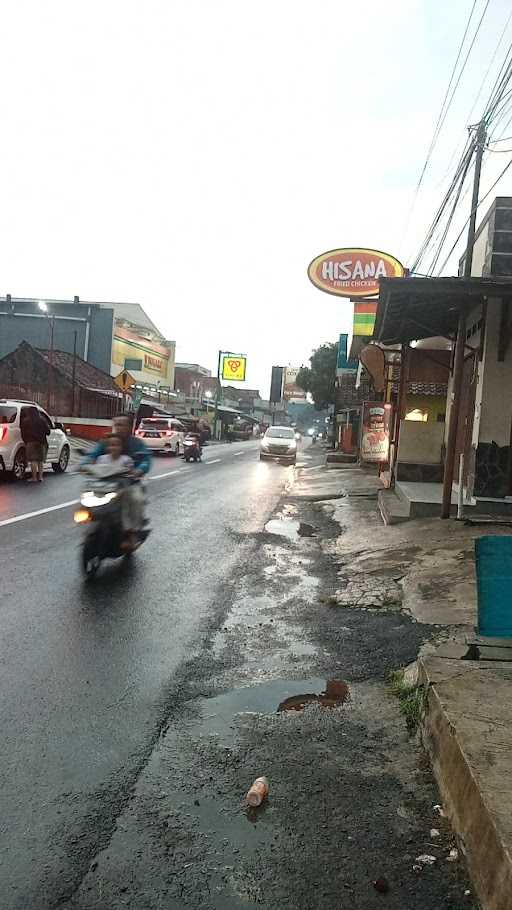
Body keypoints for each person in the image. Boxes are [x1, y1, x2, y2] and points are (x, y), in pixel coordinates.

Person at [80, 413, 152, 527]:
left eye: (122, 425)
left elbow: (146, 460)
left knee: (136, 499)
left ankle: (132, 532)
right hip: (105, 483)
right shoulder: (106, 442)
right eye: (116, 425)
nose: (119, 428)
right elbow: (92, 455)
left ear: (129, 427)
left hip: (129, 483)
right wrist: (84, 465)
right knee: (87, 498)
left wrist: (139, 470)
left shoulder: (137, 444)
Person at [95, 433, 144, 550]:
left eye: (116, 445)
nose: (113, 447)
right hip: (103, 490)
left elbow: (131, 473)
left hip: (122, 490)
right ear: (107, 447)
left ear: (121, 447)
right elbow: (95, 472)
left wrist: (133, 473)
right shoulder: (101, 459)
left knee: (127, 506)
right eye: (111, 445)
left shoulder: (126, 460)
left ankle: (131, 535)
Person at [20, 407, 50, 483]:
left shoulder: (25, 421)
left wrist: (26, 441)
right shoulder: (42, 420)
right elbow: (48, 432)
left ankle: (34, 478)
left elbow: (23, 433)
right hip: (42, 442)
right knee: (40, 461)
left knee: (33, 460)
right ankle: (40, 477)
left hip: (31, 442)